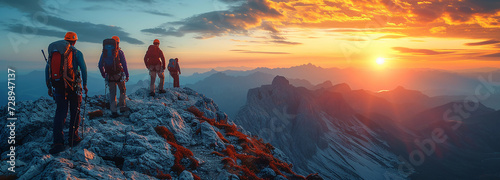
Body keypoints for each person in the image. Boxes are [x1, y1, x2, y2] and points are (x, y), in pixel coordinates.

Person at [45, 31, 88, 154]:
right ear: (75, 41)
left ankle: (58, 143)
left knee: (60, 113)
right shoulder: (77, 53)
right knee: (75, 111)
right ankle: (73, 138)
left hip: (58, 86)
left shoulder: (55, 53)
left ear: (65, 40)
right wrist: (84, 84)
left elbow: (47, 69)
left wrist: (49, 86)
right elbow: (84, 69)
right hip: (74, 87)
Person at [98, 36, 129, 118]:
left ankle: (113, 111)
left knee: (112, 93)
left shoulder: (104, 52)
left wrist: (104, 74)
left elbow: (100, 65)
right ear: (117, 43)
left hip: (109, 75)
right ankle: (122, 107)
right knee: (122, 90)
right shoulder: (120, 52)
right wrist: (127, 75)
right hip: (119, 74)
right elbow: (124, 64)